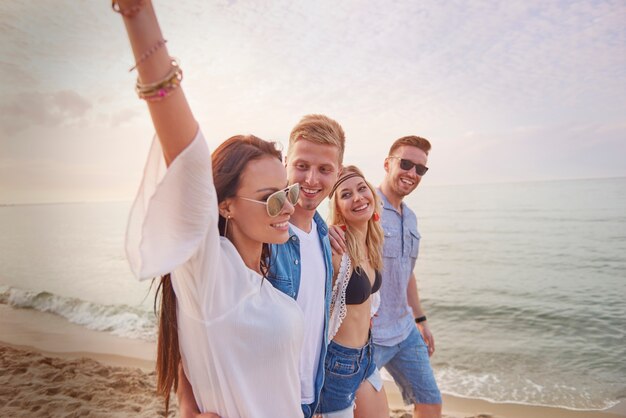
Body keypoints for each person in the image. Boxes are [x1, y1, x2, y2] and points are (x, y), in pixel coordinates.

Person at [114, 1, 304, 416]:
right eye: (272, 197)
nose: (287, 206)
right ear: (226, 206)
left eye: (288, 193)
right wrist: (138, 15)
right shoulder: (212, 271)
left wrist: (187, 402)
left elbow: (196, 343)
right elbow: (189, 154)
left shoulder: (267, 274)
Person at [178, 113, 346, 418]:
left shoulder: (324, 236)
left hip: (305, 397)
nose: (310, 180)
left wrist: (314, 398)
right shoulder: (260, 237)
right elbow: (197, 323)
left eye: (324, 169)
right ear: (286, 166)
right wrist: (187, 407)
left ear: (338, 173)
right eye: (302, 166)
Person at [330, 136, 441, 418]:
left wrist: (420, 318)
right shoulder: (363, 204)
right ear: (387, 164)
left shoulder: (410, 217)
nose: (412, 173)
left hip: (405, 330)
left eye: (420, 169)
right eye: (406, 164)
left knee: (430, 401)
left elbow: (407, 272)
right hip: (370, 339)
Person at [318, 166, 389, 418]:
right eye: (346, 194)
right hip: (338, 363)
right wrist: (322, 230)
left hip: (367, 354)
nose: (358, 197)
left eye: (361, 189)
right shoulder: (334, 246)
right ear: (337, 208)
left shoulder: (371, 241)